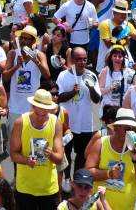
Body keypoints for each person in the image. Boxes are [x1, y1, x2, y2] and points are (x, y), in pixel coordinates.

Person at [84, 107, 136, 210]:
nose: (131, 132)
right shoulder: (101, 144)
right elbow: (87, 172)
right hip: (99, 206)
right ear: (116, 128)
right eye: (127, 129)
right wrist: (108, 174)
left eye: (133, 129)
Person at [11, 88, 64, 210]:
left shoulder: (56, 123)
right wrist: (26, 160)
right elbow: (13, 154)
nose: (40, 117)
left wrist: (50, 154)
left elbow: (59, 158)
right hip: (25, 188)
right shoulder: (20, 122)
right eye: (37, 113)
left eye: (44, 114)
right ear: (32, 107)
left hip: (48, 188)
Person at [57, 45, 102, 179]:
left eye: (84, 59)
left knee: (82, 155)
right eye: (78, 59)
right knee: (66, 152)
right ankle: (66, 179)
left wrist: (91, 87)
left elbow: (97, 99)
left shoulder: (91, 75)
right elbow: (58, 97)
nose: (82, 63)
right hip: (68, 125)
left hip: (86, 125)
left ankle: (77, 178)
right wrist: (72, 92)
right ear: (72, 59)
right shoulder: (63, 76)